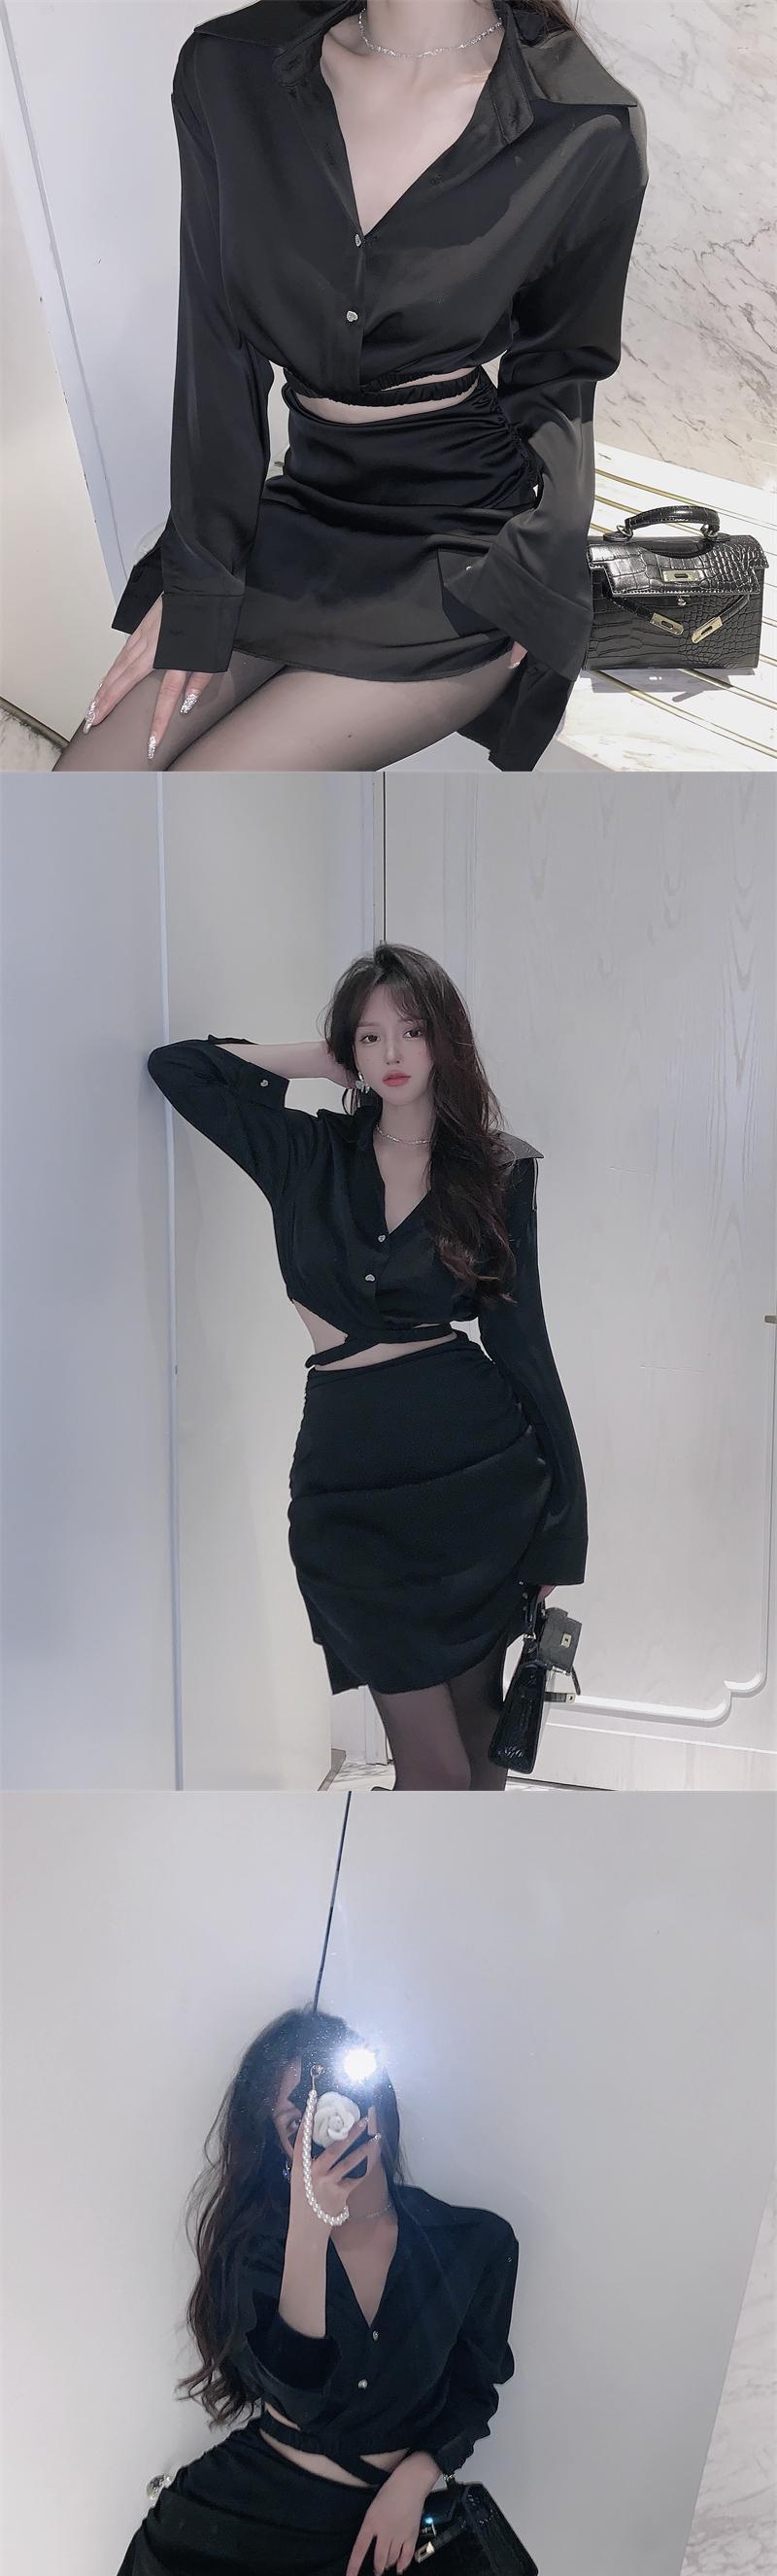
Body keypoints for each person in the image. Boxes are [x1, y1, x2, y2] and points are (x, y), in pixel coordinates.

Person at [57, 2, 647, 776]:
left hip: (459, 541)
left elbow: (562, 371)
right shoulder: (231, 66)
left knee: (213, 792)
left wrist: (540, 559)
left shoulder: (582, 123)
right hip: (302, 509)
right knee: (93, 779)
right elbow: (215, 343)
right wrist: (202, 579)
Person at [148, 940, 588, 1788]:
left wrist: (561, 1535)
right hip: (349, 1492)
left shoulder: (495, 1170)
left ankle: (467, 1881)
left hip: (478, 1479)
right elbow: (181, 1070)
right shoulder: (306, 1153)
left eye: (412, 1031)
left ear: (445, 1041)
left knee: (478, 1751)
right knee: (435, 1770)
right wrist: (323, 1057)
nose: (392, 1053)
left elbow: (524, 1344)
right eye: (371, 1035)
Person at [99, 2011, 520, 2576]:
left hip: (341, 2565)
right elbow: (298, 2389)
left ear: (376, 2096)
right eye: (296, 2122)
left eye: (334, 2103)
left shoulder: (474, 2244)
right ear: (279, 2139)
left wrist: (417, 2473)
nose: (324, 2131)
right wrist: (308, 2223)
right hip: (209, 2544)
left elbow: (476, 2390)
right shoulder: (260, 2248)